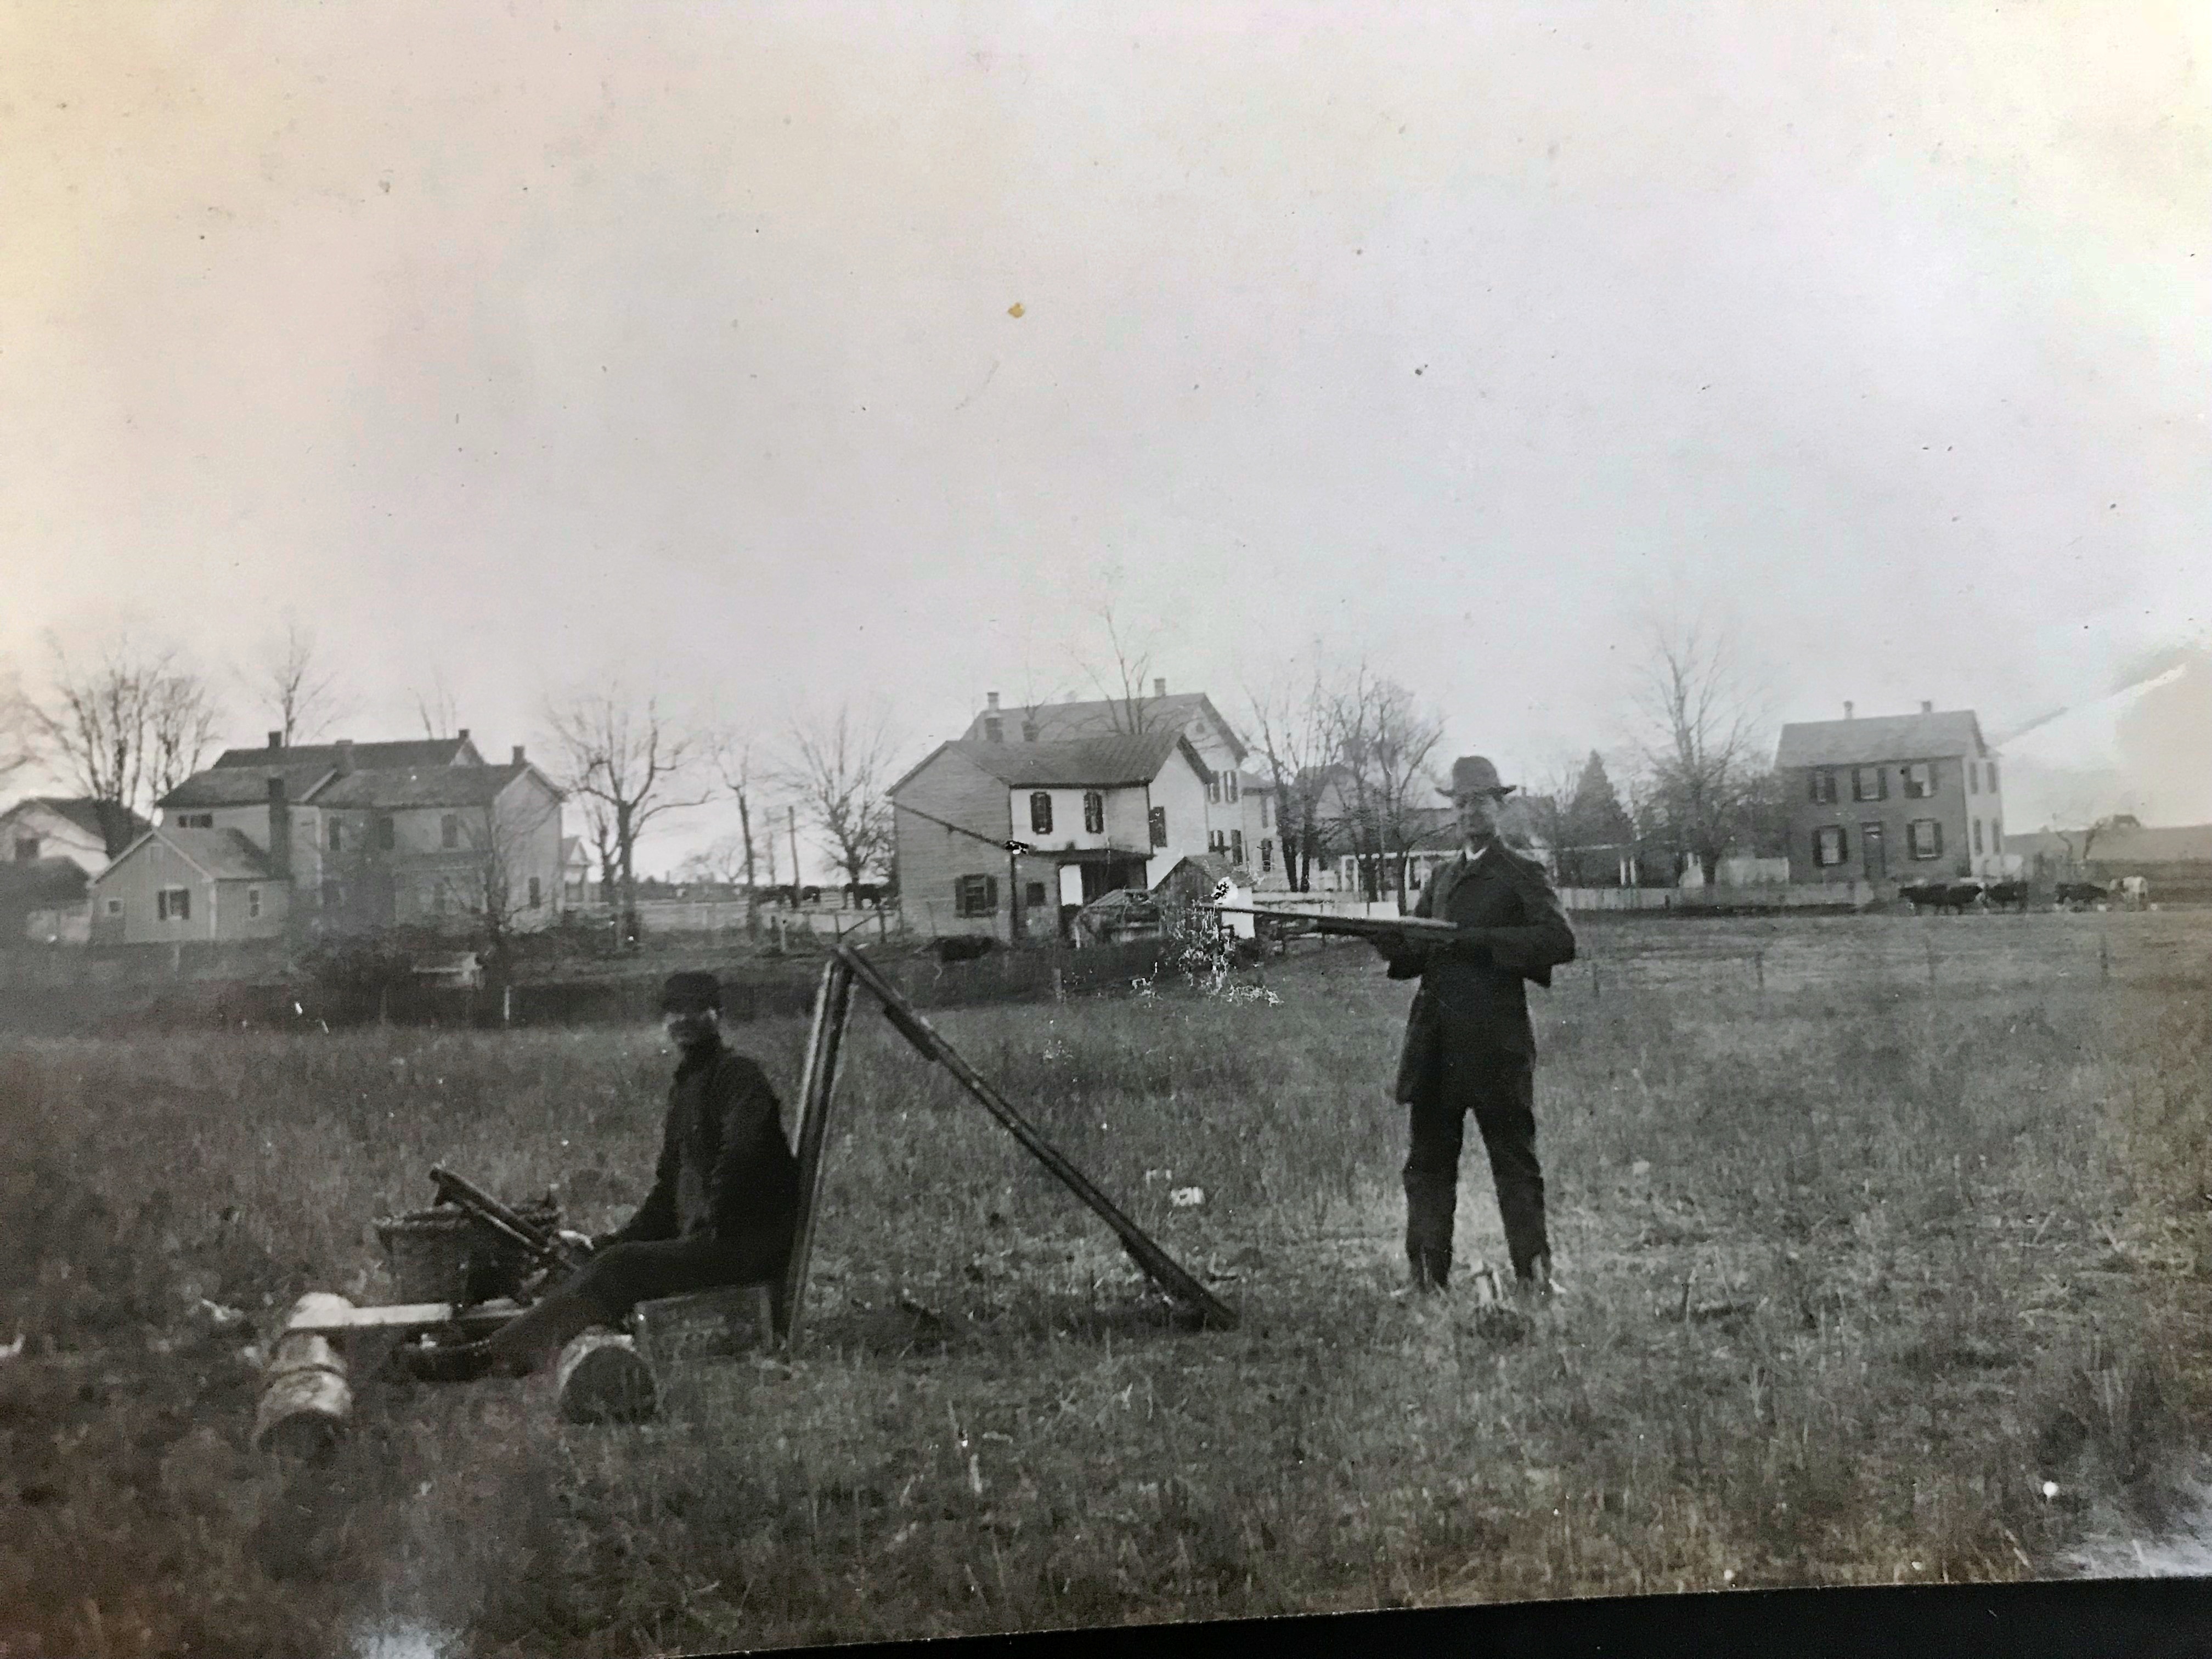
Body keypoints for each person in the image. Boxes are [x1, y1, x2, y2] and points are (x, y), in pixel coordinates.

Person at [403, 969, 802, 1381]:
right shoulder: (686, 1088)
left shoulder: (739, 1077)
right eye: (674, 1010)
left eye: (696, 1008)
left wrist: (709, 1221)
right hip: (710, 1243)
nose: (684, 1019)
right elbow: (666, 1196)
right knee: (599, 1260)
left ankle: (482, 1360)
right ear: (664, 1021)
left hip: (741, 1248)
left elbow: (744, 1151)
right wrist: (599, 1244)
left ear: (717, 1014)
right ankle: (490, 1341)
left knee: (621, 1268)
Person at [1375, 756, 1577, 1299]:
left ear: (1500, 806)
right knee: (1427, 1169)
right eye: (1460, 802)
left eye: (1479, 801)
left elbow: (1560, 942)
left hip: (1496, 1047)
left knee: (1515, 1167)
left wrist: (1481, 942)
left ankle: (1536, 1279)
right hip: (1437, 1046)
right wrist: (1383, 939)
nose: (1468, 811)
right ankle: (1426, 1281)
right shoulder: (1441, 876)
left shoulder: (1522, 873)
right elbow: (1417, 951)